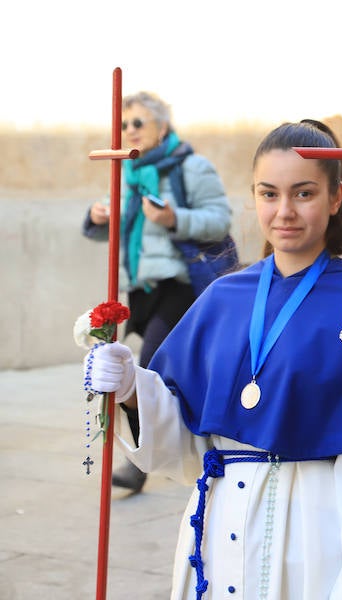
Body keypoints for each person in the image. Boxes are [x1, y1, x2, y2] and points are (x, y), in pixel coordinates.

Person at [81, 122, 342, 599]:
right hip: (218, 525)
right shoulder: (223, 296)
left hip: (309, 534)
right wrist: (133, 389)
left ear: (336, 197)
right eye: (269, 193)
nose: (284, 211)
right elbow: (183, 447)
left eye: (303, 193)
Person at [81, 90, 233, 493]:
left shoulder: (191, 167)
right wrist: (97, 216)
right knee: (151, 372)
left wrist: (173, 218)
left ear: (162, 126)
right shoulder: (129, 173)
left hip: (180, 284)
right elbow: (111, 227)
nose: (130, 130)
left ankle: (139, 465)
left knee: (143, 370)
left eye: (138, 123)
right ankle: (188, 437)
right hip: (141, 290)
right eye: (124, 124)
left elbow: (219, 219)